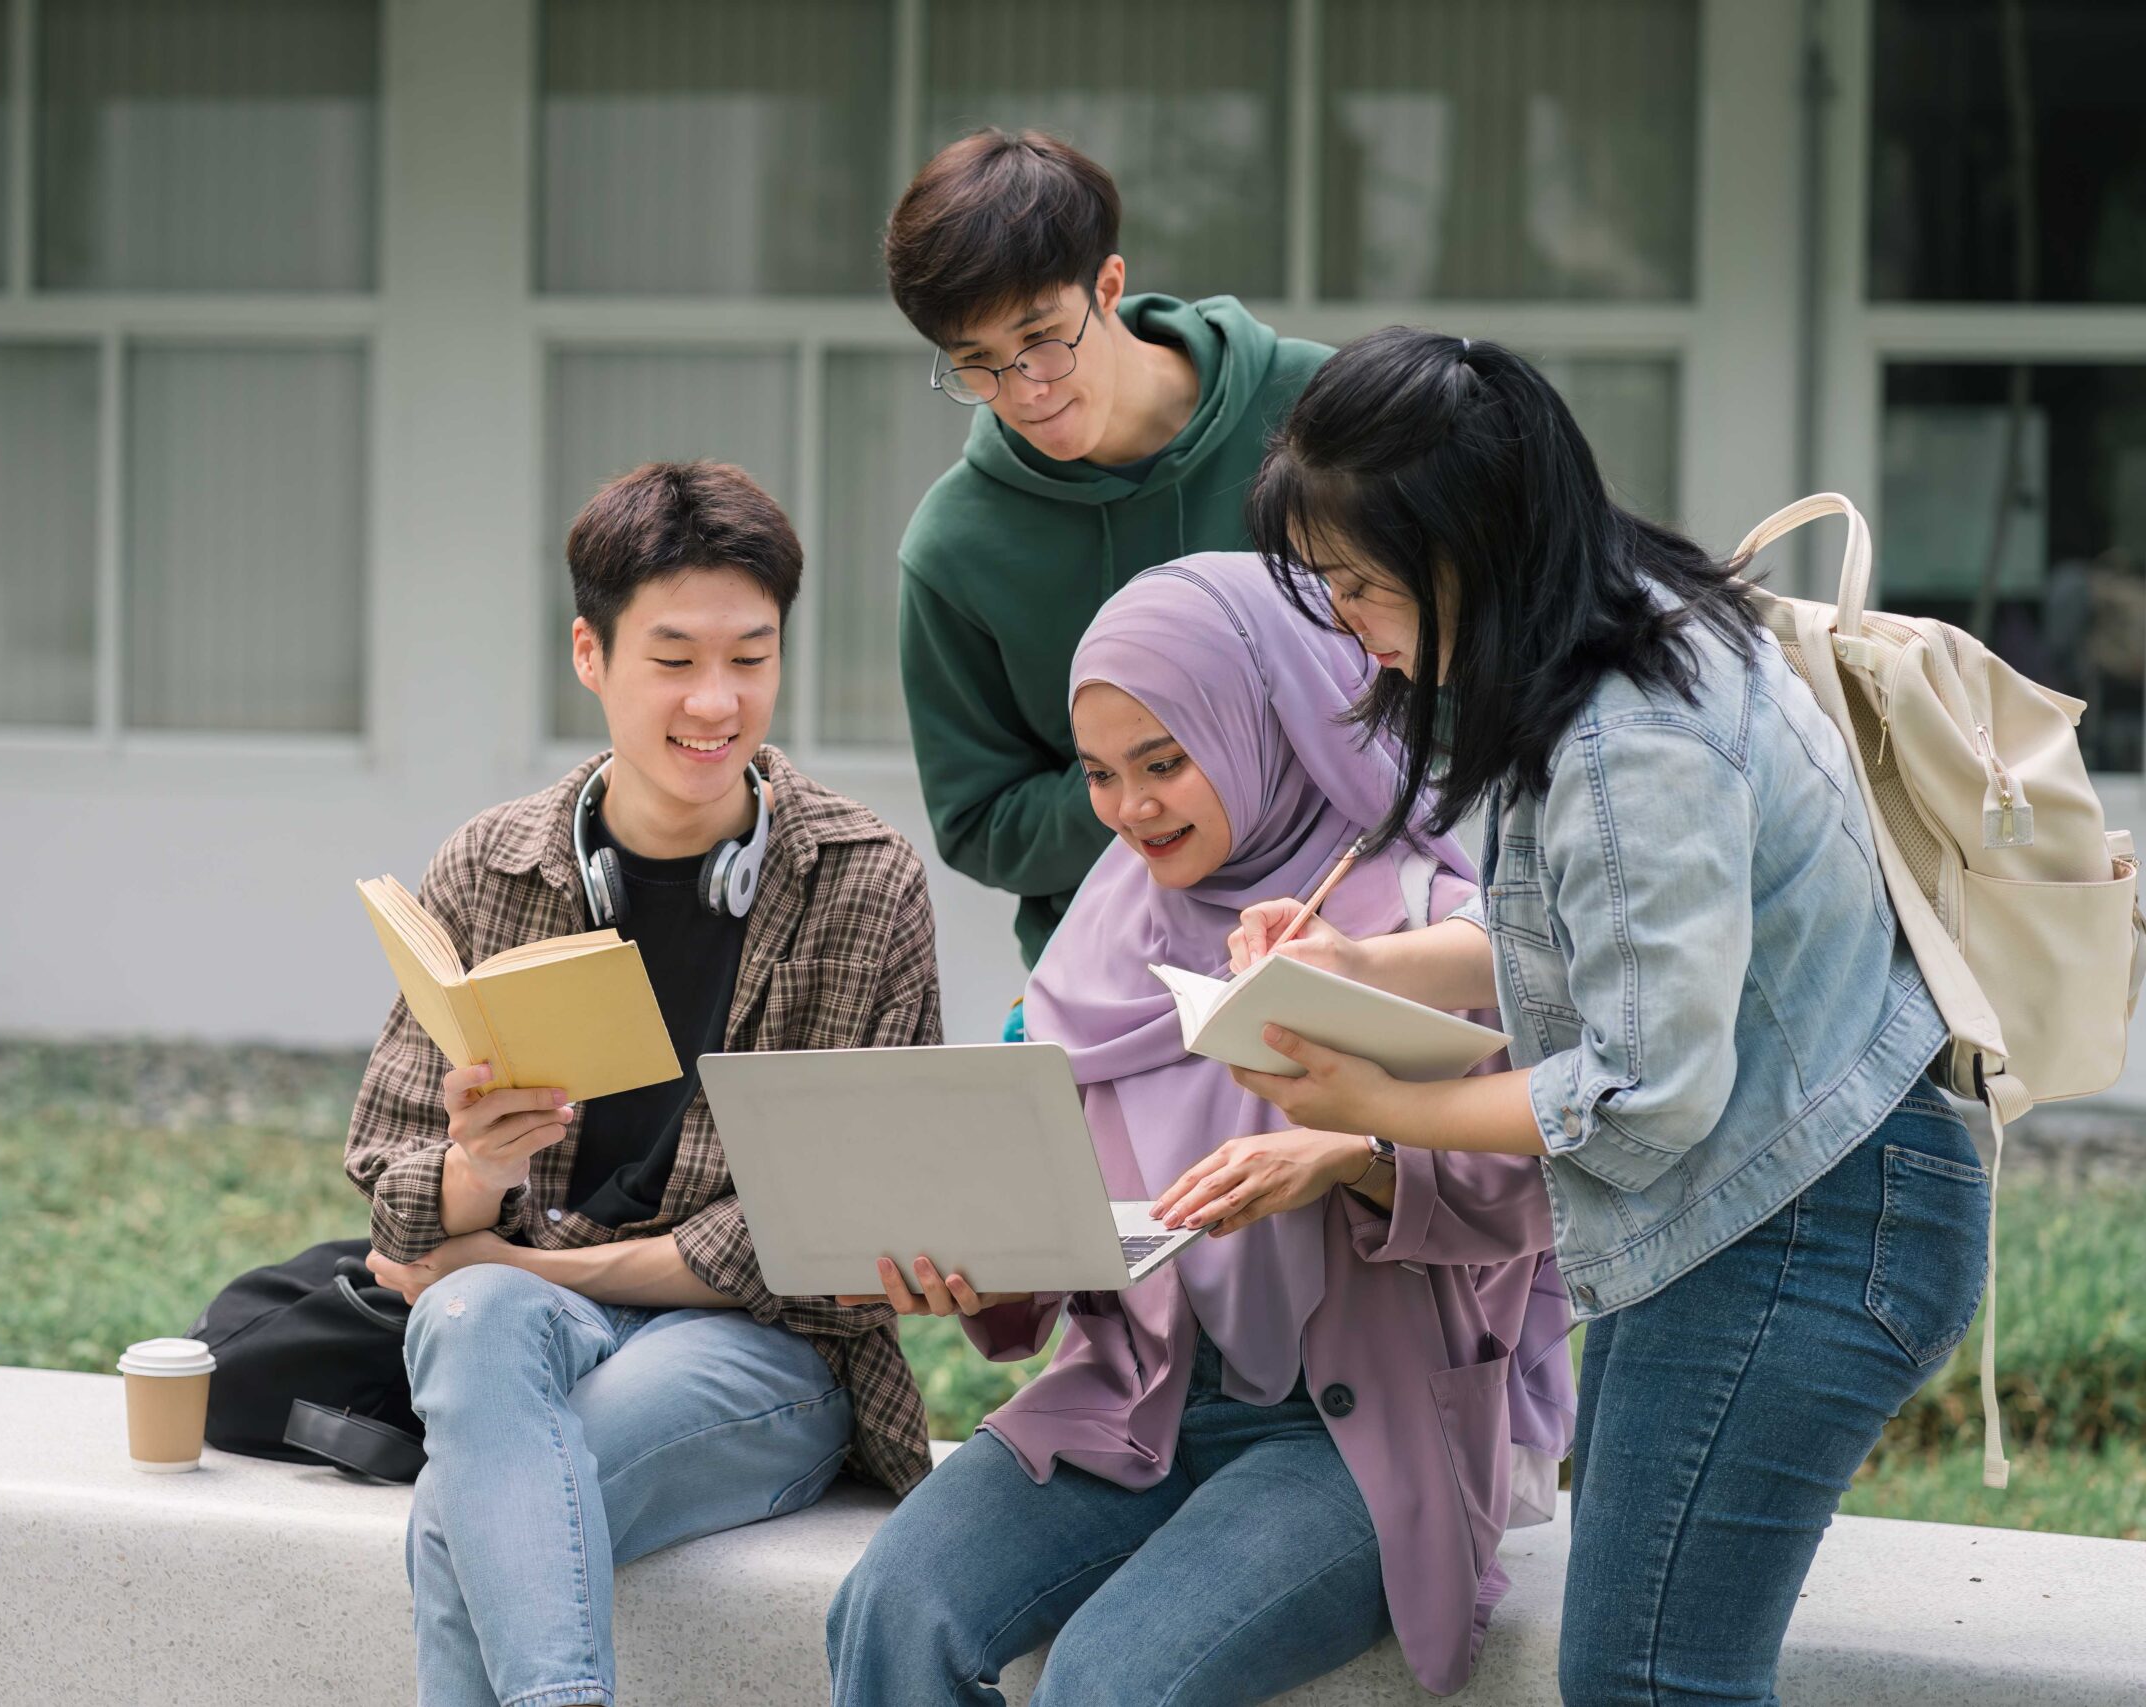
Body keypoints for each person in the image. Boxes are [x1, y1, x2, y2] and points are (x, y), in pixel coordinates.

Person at [1224, 328, 1989, 1706]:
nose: (1346, 621)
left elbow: (1645, 1084)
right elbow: (1607, 946)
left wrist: (1377, 1108)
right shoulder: (1626, 624)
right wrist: (1365, 962)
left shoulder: (1627, 731)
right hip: (1770, 1209)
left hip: (1808, 1222)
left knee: (1651, 1679)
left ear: (1468, 543)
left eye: (1359, 582)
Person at [826, 553, 1573, 1707]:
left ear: (1263, 721)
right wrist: (974, 1274)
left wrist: (1359, 1157)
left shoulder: (1422, 921)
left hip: (1348, 1435)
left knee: (1110, 1683)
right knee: (890, 1609)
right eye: (1099, 775)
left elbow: (1545, 1182)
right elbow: (1066, 1229)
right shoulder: (1100, 933)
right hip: (1135, 1401)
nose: (1130, 810)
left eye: (1164, 763)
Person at [346, 460, 941, 1707]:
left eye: (752, 657)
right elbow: (396, 1203)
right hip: (532, 1335)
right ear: (589, 653)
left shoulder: (862, 879)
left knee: (469, 1519)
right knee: (466, 1320)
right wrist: (478, 1169)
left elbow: (816, 1233)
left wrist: (519, 1262)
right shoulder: (491, 867)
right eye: (672, 659)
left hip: (767, 1354)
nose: (716, 702)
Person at [883, 128, 1335, 968]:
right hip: (1116, 974)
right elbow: (978, 823)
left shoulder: (1323, 412)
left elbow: (1449, 672)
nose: (1025, 390)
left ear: (1110, 284)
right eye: (976, 365)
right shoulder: (953, 548)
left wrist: (1246, 757)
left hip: (1354, 928)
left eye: (1044, 337)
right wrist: (1145, 778)